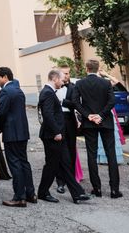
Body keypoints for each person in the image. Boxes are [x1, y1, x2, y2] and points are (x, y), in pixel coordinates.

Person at [36, 69, 90, 204]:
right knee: (51, 165)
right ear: (55, 79)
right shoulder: (47, 93)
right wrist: (56, 132)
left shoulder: (49, 92)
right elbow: (48, 115)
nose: (63, 81)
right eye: (61, 79)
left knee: (65, 163)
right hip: (52, 136)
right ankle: (43, 192)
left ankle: (77, 194)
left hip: (57, 134)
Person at [72, 59, 121, 198]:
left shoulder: (80, 83)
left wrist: (88, 116)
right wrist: (101, 115)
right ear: (98, 68)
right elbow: (112, 101)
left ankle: (97, 189)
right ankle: (114, 190)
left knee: (91, 155)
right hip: (105, 122)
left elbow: (75, 102)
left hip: (89, 124)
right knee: (111, 155)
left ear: (86, 68)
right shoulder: (105, 83)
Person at [0, 67, 35, 207]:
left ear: (5, 77)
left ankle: (19, 197)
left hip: (11, 132)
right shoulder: (18, 90)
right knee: (24, 162)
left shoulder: (5, 91)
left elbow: (1, 113)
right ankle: (31, 194)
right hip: (22, 131)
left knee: (14, 163)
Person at [55, 65, 78, 193]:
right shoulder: (53, 88)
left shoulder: (73, 87)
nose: (66, 76)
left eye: (68, 73)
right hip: (57, 122)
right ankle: (60, 182)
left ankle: (72, 180)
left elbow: (75, 104)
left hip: (69, 121)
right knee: (59, 152)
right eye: (64, 73)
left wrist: (62, 101)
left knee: (71, 151)